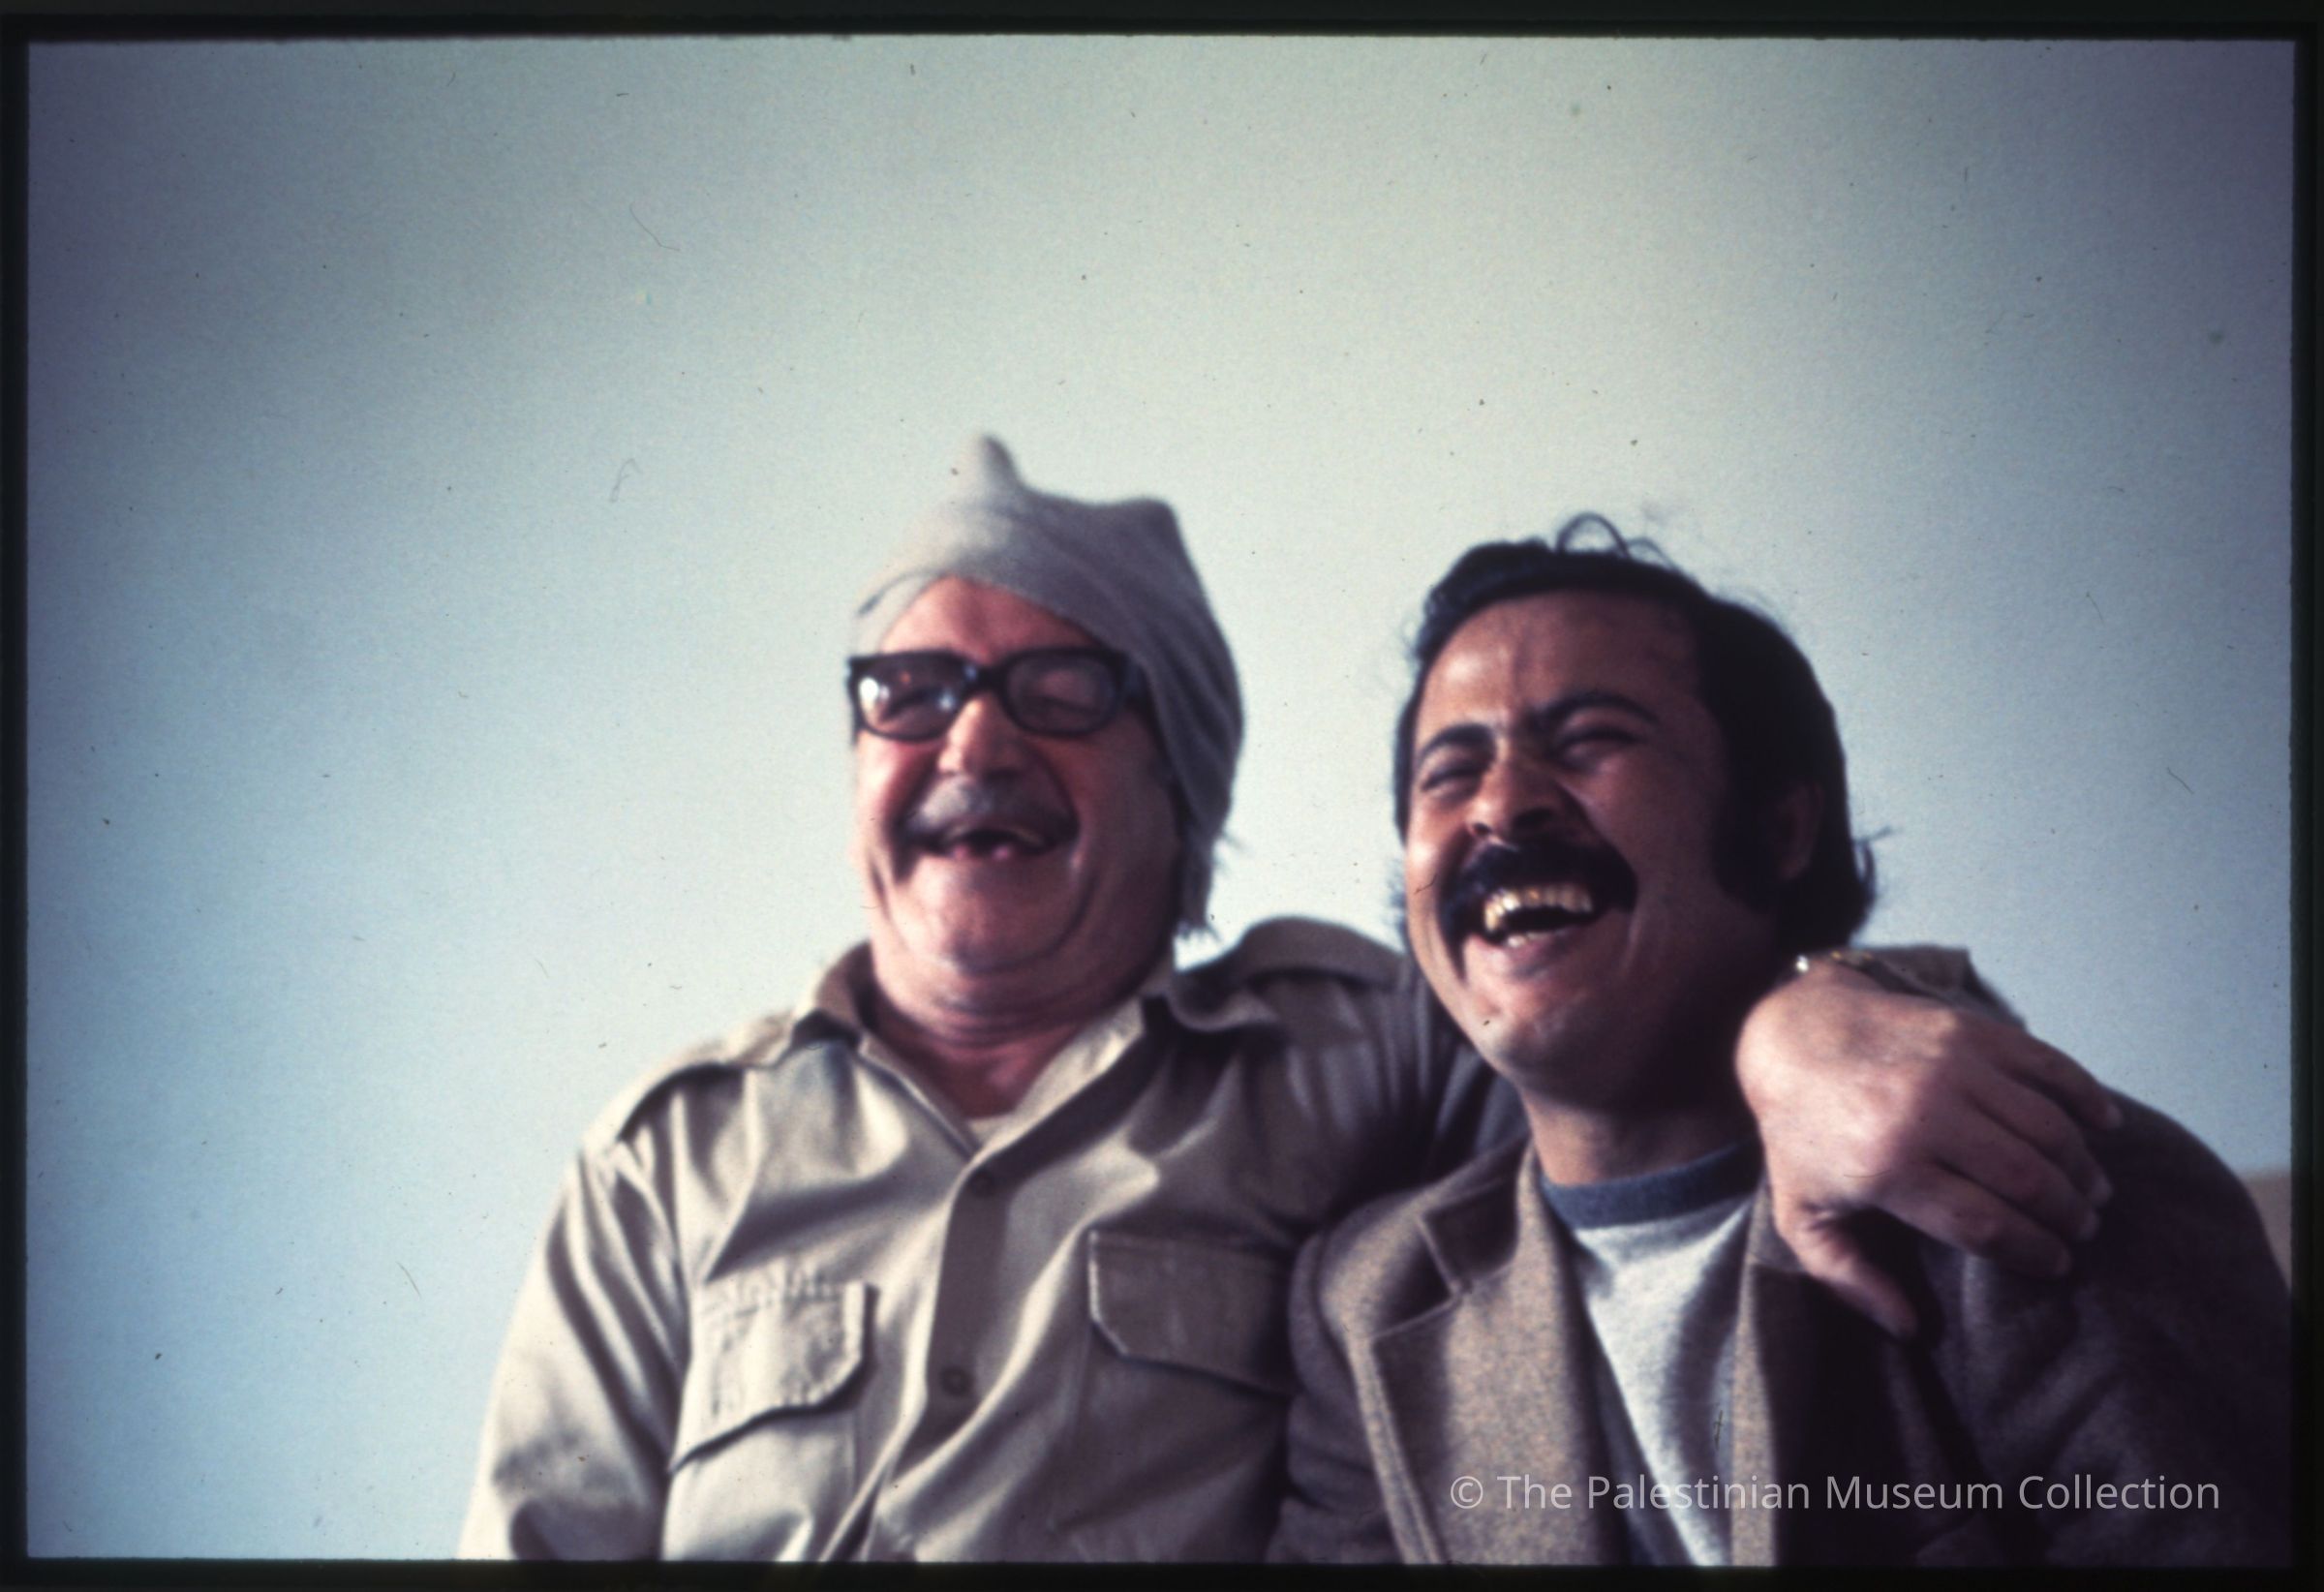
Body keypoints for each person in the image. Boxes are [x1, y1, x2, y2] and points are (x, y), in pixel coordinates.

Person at [458, 442, 2121, 1562]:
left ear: (1179, 794)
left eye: (1060, 689)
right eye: (910, 691)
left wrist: (1806, 1012)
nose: (972, 738)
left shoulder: (1350, 1045)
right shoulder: (663, 1156)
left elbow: (1620, 1025)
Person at [1269, 528, 2290, 1566]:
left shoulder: (2038, 1178)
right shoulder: (1362, 1305)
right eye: (1448, 774)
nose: (1499, 803)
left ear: (1782, 829)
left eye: (1589, 740)